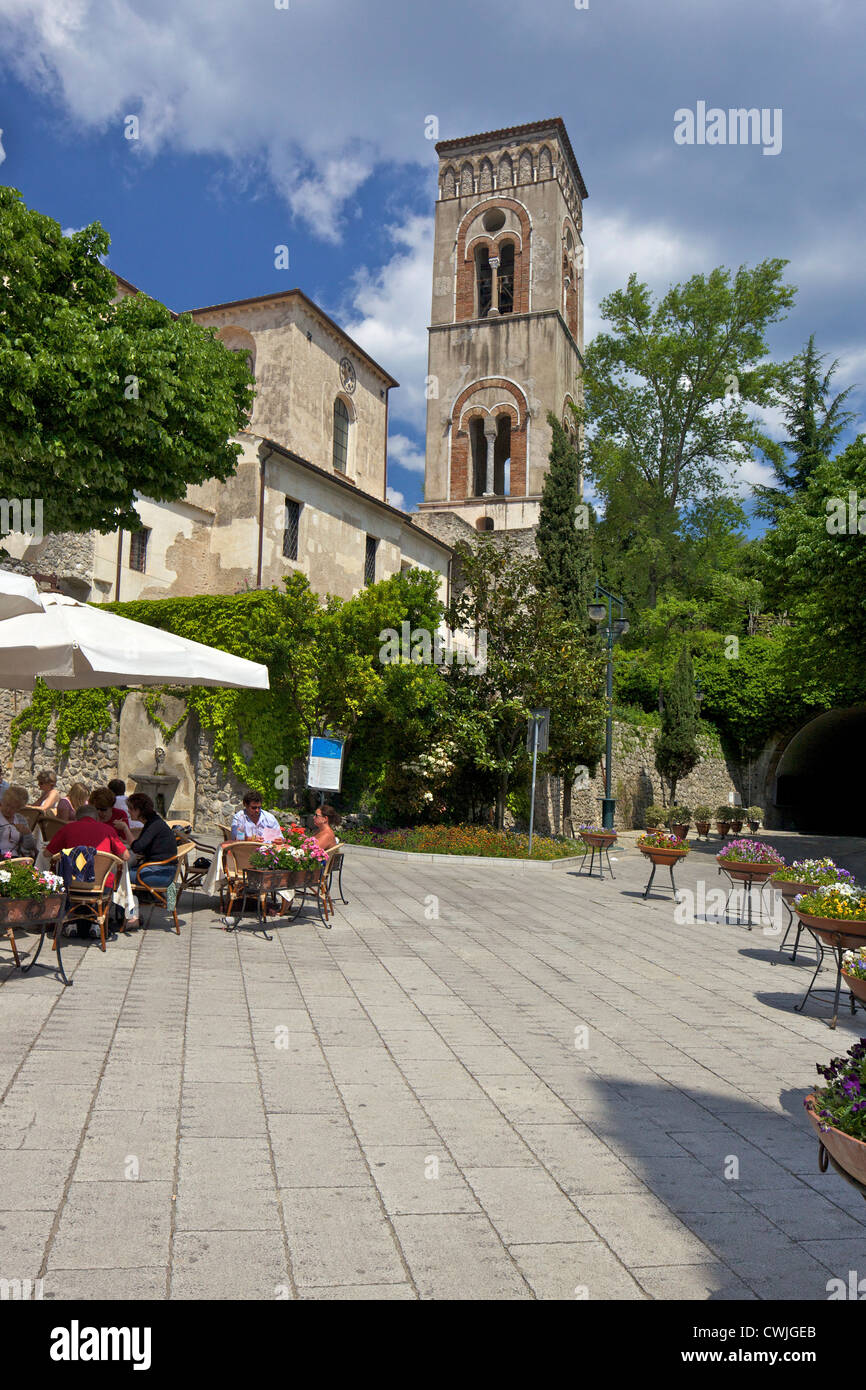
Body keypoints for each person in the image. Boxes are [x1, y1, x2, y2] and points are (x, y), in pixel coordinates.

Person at [126, 793, 179, 878]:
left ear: (140, 810)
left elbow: (137, 847)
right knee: (122, 872)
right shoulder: (153, 822)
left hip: (161, 872)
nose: (128, 811)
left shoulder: (154, 824)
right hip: (160, 868)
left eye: (131, 808)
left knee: (120, 875)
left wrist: (125, 829)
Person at [0, 785, 36, 857]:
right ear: (2, 801)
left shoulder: (20, 820)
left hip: (15, 858)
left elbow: (29, 847)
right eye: (7, 805)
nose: (8, 810)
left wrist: (27, 833)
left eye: (13, 808)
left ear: (19, 809)